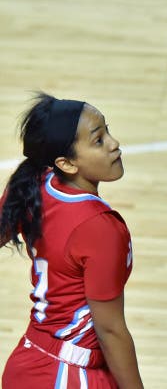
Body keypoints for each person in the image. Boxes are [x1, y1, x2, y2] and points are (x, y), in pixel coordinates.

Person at [1, 93, 143, 389]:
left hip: (28, 362)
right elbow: (110, 329)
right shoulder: (100, 227)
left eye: (107, 131)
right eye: (98, 140)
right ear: (66, 163)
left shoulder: (36, 182)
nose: (114, 144)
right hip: (70, 376)